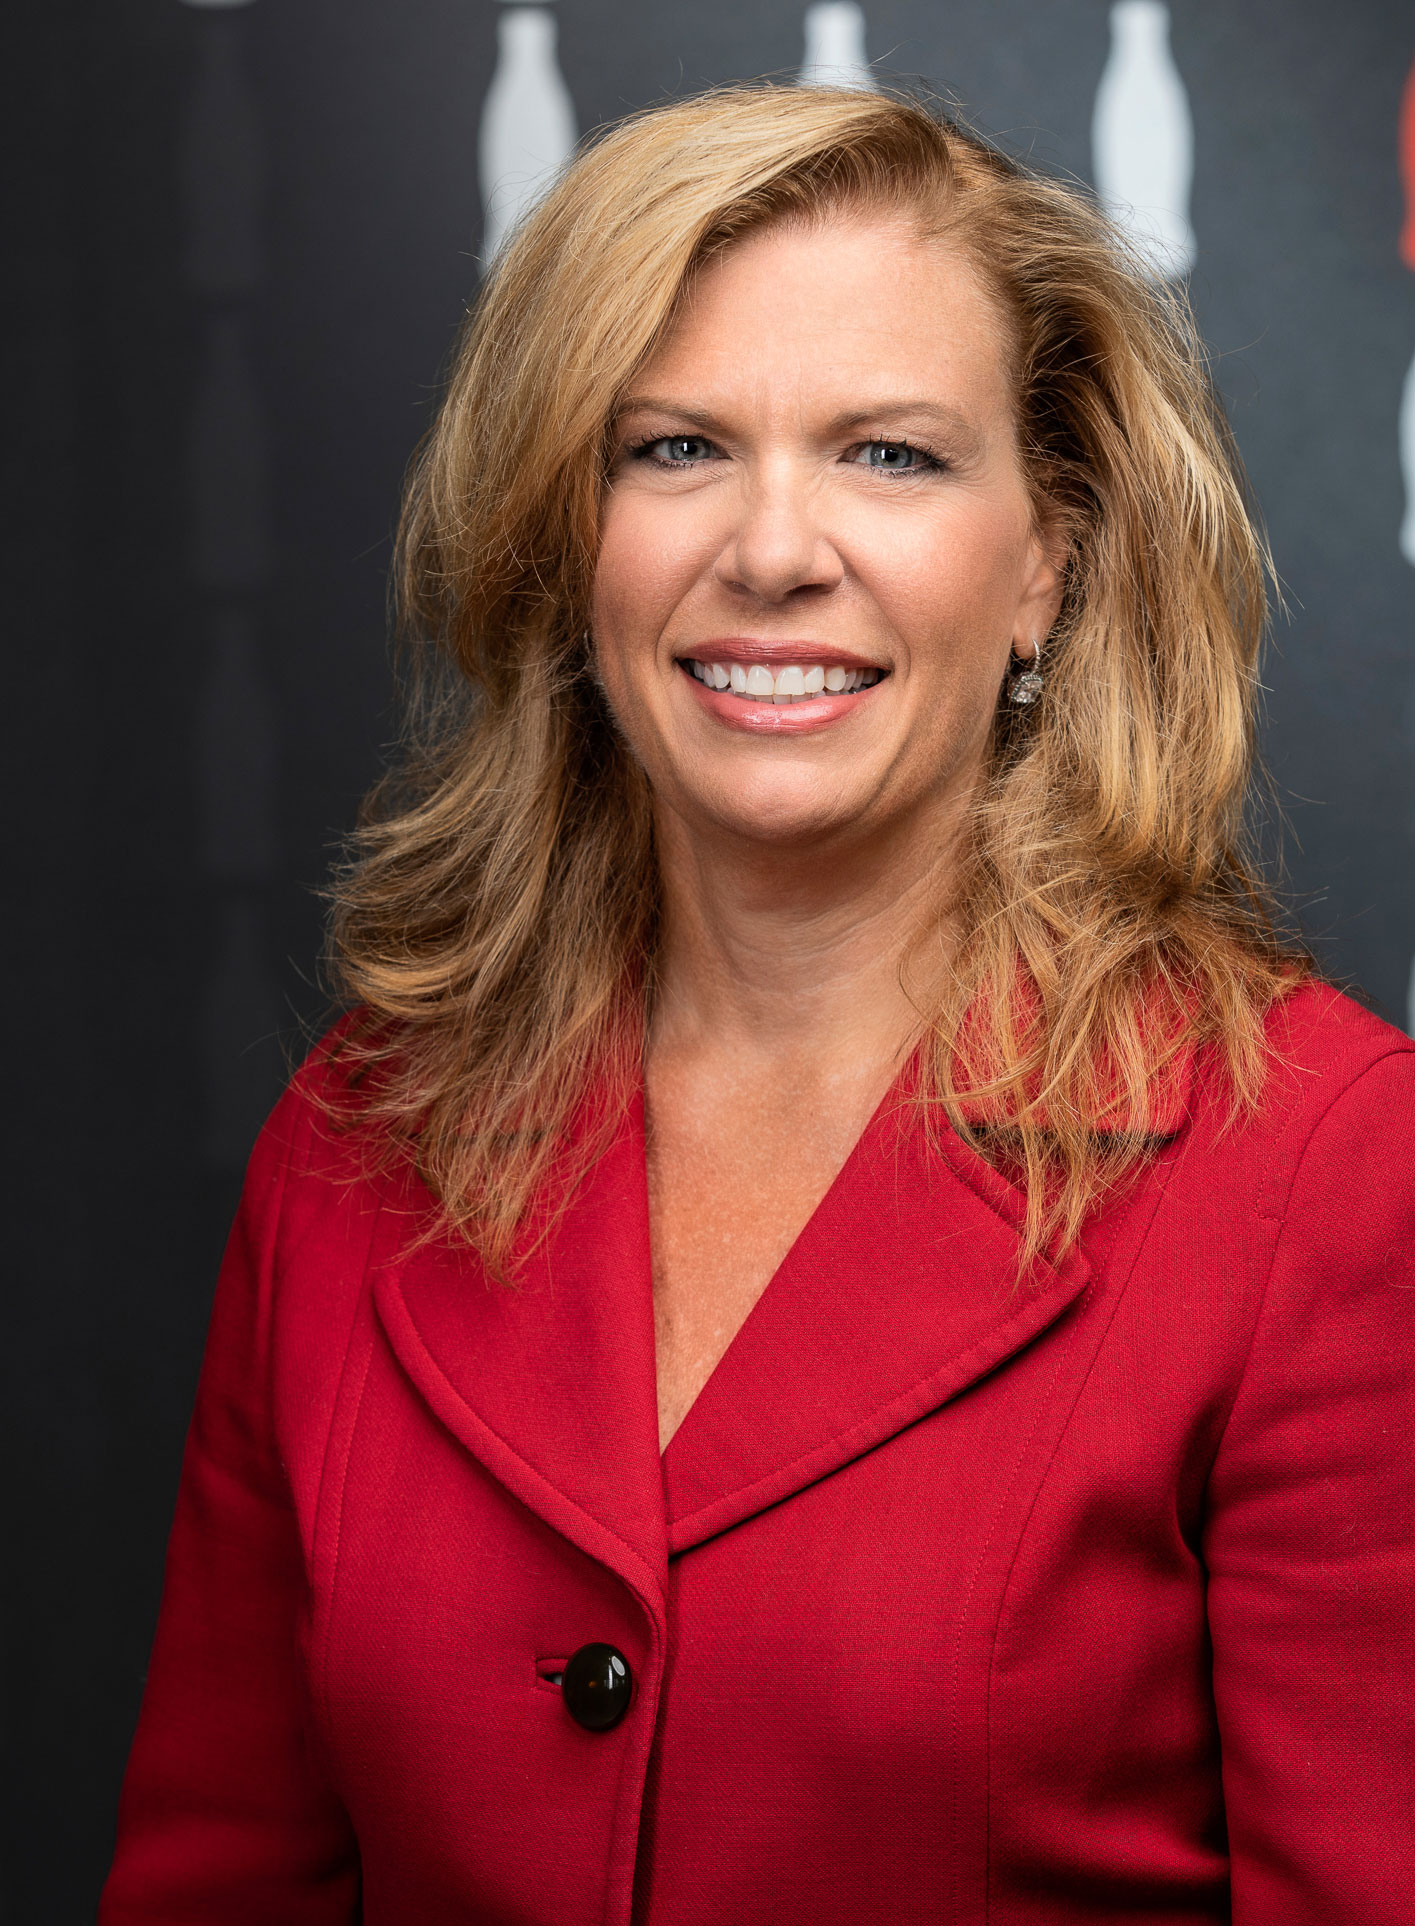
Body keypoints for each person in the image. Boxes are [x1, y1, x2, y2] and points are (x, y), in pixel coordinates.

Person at [101, 85, 1415, 1925]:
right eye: (674, 447)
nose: (775, 546)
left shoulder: (1326, 1171)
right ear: (569, 540)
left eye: (890, 455)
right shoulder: (353, 1142)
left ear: (1046, 558)